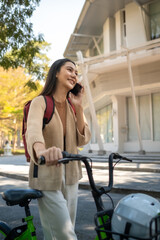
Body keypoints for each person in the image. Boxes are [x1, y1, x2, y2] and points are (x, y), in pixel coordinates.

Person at [26, 58, 91, 240]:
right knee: (65, 235)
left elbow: (83, 138)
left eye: (76, 73)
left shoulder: (71, 107)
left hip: (71, 175)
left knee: (60, 231)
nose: (74, 75)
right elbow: (33, 131)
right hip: (47, 175)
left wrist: (79, 106)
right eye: (69, 70)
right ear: (55, 72)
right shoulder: (40, 102)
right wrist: (41, 151)